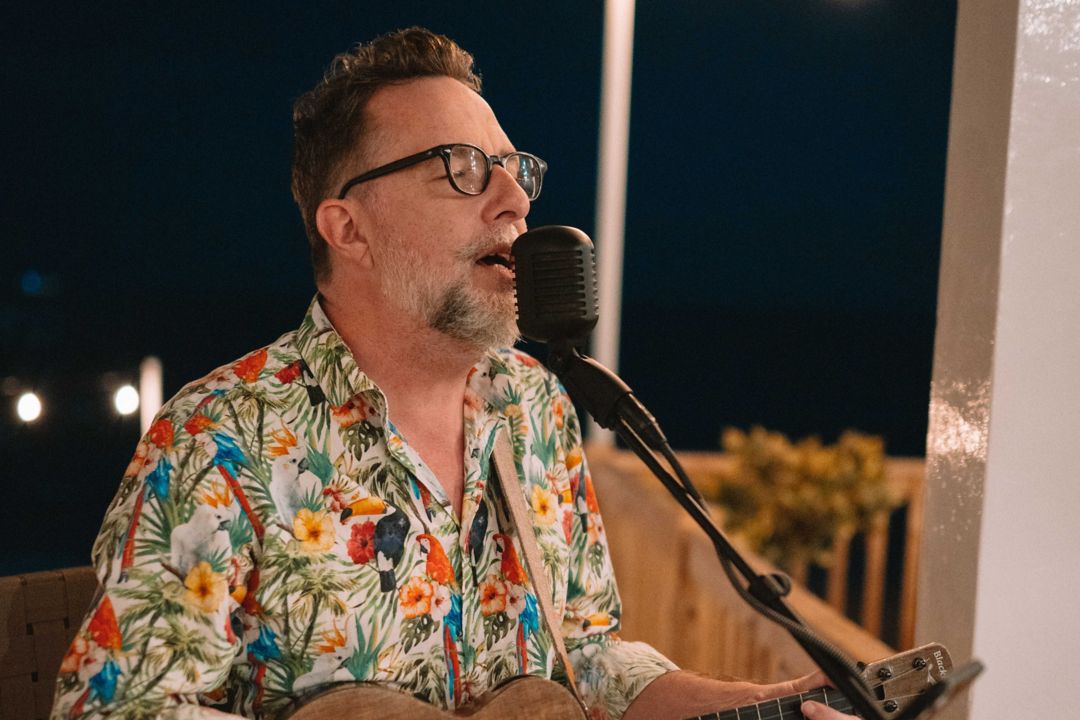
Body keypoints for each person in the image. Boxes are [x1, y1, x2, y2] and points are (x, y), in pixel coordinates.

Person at [50, 27, 856, 720]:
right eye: (462, 166)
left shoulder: (536, 404)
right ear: (349, 228)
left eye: (513, 168)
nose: (514, 200)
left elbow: (590, 660)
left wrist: (768, 700)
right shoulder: (220, 437)